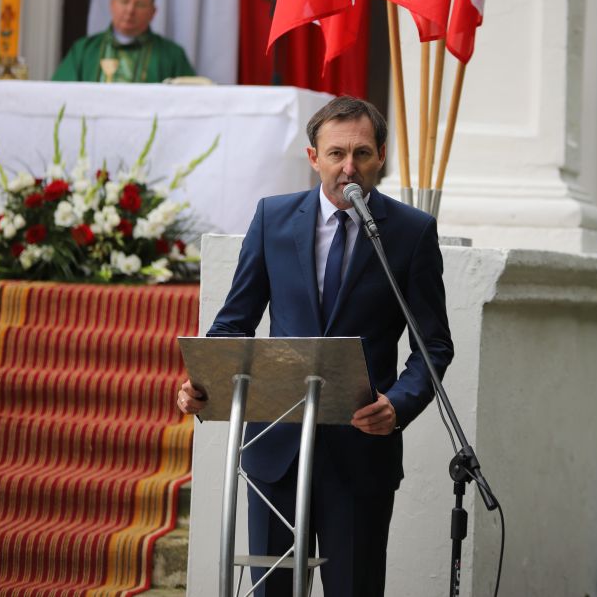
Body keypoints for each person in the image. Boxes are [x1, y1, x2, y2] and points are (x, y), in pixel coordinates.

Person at [177, 96, 454, 597]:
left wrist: (399, 404)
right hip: (275, 448)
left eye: (363, 154)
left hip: (361, 449)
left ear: (382, 155)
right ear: (313, 157)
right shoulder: (272, 219)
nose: (350, 167)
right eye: (336, 154)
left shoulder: (412, 233)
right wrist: (206, 384)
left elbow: (432, 345)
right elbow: (232, 326)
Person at [52, 0, 195, 83]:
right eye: (124, 1)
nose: (130, 10)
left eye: (139, 4)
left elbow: (189, 102)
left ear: (153, 12)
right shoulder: (84, 50)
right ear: (112, 4)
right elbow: (59, 95)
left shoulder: (172, 55)